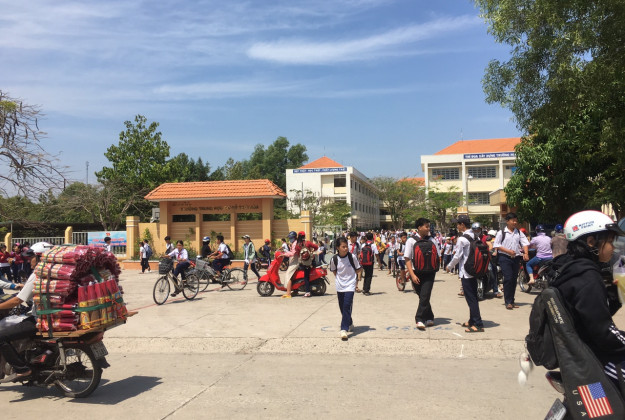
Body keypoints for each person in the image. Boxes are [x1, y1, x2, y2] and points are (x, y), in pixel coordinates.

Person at [549, 210, 625, 387]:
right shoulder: (587, 277)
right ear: (591, 242)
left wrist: (614, 295)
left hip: (578, 352)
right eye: (610, 241)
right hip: (593, 358)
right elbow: (603, 333)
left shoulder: (569, 269)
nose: (613, 248)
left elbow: (590, 316)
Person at [0, 243, 48, 381]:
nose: (28, 261)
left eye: (31, 257)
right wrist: (16, 286)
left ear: (39, 257)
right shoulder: (51, 272)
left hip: (39, 320)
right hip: (48, 317)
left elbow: (18, 300)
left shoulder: (38, 274)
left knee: (1, 336)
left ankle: (22, 369)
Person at [445, 215, 484, 332]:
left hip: (466, 271)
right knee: (473, 296)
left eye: (458, 224)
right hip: (474, 270)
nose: (457, 226)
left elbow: (457, 256)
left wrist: (449, 266)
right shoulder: (475, 235)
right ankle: (472, 320)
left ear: (462, 225)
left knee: (471, 298)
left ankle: (478, 324)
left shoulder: (462, 239)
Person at [405, 218, 439, 330]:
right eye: (426, 226)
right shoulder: (411, 241)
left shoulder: (432, 240)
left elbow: (438, 256)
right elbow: (407, 258)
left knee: (425, 295)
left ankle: (419, 318)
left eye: (429, 226)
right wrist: (412, 275)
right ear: (419, 227)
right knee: (422, 296)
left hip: (430, 272)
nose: (428, 229)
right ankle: (429, 316)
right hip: (416, 272)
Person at [493, 212, 530, 310]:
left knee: (513, 280)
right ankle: (508, 302)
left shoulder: (519, 232)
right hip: (504, 258)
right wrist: (508, 251)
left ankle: (512, 301)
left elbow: (525, 243)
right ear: (507, 221)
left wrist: (526, 253)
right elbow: (496, 245)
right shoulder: (502, 232)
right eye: (513, 220)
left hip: (516, 258)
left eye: (516, 221)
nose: (515, 222)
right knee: (508, 278)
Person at [329, 237, 362, 341]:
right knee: (342, 307)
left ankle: (344, 329)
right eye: (343, 247)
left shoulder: (352, 257)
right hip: (340, 286)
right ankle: (349, 322)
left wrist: (353, 278)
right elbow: (334, 271)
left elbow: (359, 268)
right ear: (338, 248)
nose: (346, 248)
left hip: (350, 285)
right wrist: (340, 279)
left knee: (347, 305)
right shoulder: (334, 259)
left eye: (346, 246)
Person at [281, 231, 305, 298]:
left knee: (288, 276)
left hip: (295, 262)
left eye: (290, 238)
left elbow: (293, 253)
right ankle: (295, 290)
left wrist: (284, 254)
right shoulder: (295, 243)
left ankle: (288, 293)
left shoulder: (295, 244)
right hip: (294, 261)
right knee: (293, 276)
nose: (289, 239)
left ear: (293, 237)